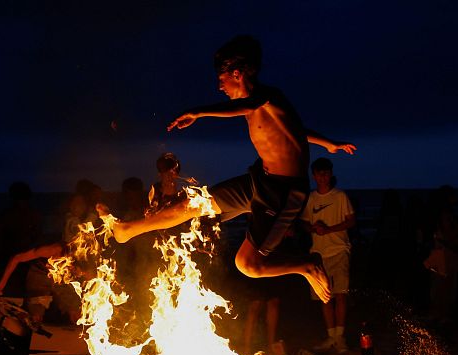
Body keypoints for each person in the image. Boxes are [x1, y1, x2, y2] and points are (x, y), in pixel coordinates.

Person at [110, 35, 356, 303]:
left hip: (283, 193)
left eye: (221, 79)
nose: (220, 87)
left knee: (248, 265)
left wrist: (199, 112)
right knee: (197, 204)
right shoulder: (262, 106)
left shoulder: (266, 97)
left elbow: (245, 106)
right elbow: (296, 131)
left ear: (236, 74)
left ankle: (305, 265)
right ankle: (130, 230)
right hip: (260, 179)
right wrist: (328, 143)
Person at [300, 158, 356, 352]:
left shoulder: (340, 196)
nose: (322, 177)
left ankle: (340, 338)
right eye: (319, 173)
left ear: (330, 174)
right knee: (325, 296)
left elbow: (351, 221)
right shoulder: (311, 198)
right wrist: (314, 228)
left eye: (325, 173)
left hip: (339, 249)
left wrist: (329, 229)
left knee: (340, 294)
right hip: (318, 253)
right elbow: (305, 223)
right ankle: (330, 336)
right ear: (314, 176)